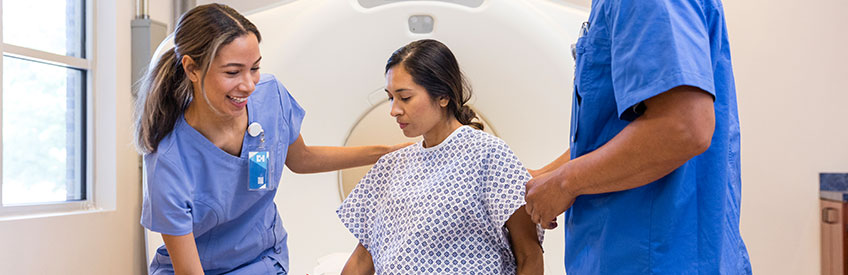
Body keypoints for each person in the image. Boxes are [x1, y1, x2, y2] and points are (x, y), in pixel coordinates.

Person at [133, 4, 406, 275]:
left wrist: (387, 151)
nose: (249, 85)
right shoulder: (168, 161)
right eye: (232, 72)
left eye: (254, 68)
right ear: (192, 69)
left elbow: (302, 158)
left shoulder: (269, 96)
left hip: (264, 261)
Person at [523, 0, 752, 273]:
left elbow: (684, 127)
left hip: (656, 256)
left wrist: (564, 184)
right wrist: (538, 177)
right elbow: (615, 133)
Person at [337, 39, 544, 275]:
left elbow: (529, 255)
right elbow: (363, 258)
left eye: (404, 98)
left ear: (443, 96)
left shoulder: (489, 155)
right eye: (390, 98)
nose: (394, 110)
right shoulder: (391, 166)